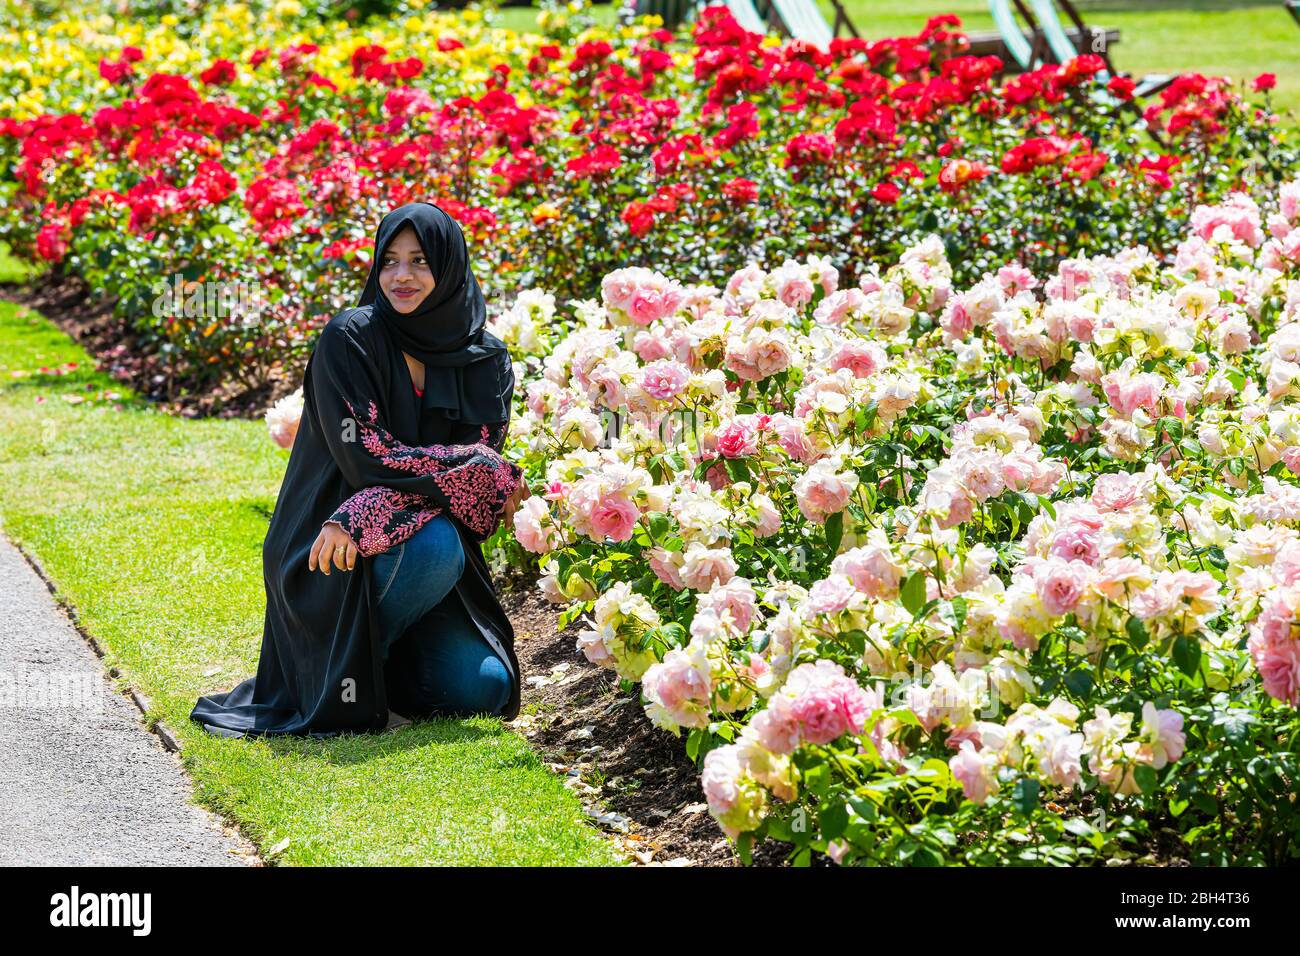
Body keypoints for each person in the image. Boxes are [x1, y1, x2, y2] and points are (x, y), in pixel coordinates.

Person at [190, 201, 529, 738]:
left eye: (420, 260)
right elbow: (365, 455)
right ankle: (336, 674)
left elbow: (477, 487)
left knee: (482, 689)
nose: (401, 276)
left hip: (407, 558)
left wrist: (370, 509)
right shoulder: (350, 338)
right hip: (324, 545)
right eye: (389, 260)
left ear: (449, 265)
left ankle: (377, 668)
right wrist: (359, 514)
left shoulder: (485, 357)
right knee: (436, 541)